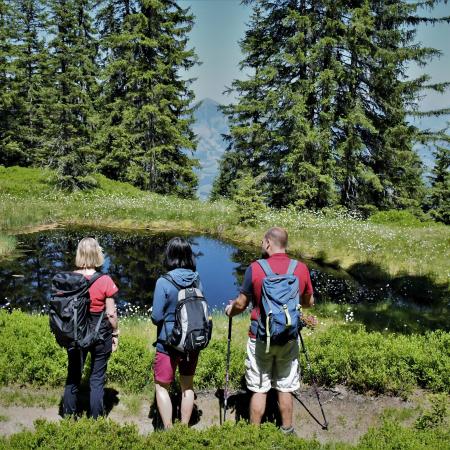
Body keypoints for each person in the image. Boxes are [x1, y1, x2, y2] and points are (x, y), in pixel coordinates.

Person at [225, 227, 314, 434]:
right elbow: (309, 302)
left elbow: (241, 303)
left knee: (258, 387)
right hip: (289, 338)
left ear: (268, 243)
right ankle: (287, 430)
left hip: (260, 337)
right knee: (285, 386)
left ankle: (255, 437)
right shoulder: (300, 268)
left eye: (262, 242)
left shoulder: (255, 268)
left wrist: (231, 310)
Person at [63, 237, 119, 418]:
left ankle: (69, 417)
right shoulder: (105, 280)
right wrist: (116, 333)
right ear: (97, 254)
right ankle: (95, 420)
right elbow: (111, 314)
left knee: (73, 376)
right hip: (100, 333)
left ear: (79, 254)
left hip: (76, 333)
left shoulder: (69, 278)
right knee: (96, 379)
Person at [151, 237, 203, 429]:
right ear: (189, 256)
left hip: (167, 342)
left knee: (161, 386)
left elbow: (156, 317)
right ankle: (183, 427)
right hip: (192, 341)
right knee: (187, 386)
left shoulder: (163, 282)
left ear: (169, 255)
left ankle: (169, 429)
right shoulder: (197, 279)